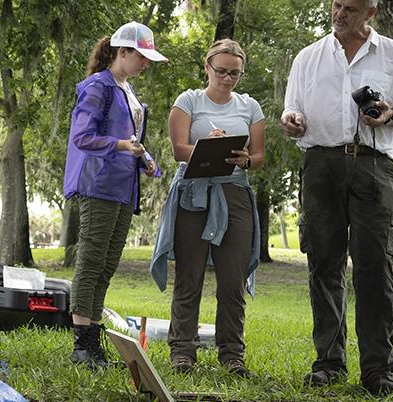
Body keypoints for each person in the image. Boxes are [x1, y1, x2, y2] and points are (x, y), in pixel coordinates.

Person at [281, 0, 393, 397]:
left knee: (374, 267)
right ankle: (328, 363)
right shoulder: (308, 57)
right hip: (321, 165)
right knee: (323, 264)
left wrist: (388, 115)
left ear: (371, 11)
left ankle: (378, 371)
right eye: (335, 5)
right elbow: (293, 110)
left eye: (349, 9)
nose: (339, 14)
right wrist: (292, 120)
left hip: (374, 167)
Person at [150, 39, 265, 378]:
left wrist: (246, 158)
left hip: (234, 193)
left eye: (235, 73)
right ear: (207, 67)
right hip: (194, 193)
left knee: (233, 279)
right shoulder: (189, 101)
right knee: (190, 275)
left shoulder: (250, 107)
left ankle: (232, 353)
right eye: (221, 71)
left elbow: (257, 158)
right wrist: (207, 146)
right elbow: (178, 150)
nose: (228, 78)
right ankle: (182, 350)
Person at [63, 22, 166, 366]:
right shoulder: (98, 87)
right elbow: (83, 136)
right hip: (98, 184)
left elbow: (133, 140)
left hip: (124, 188)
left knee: (107, 264)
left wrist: (146, 160)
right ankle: (82, 344)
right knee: (90, 260)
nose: (146, 64)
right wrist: (121, 145)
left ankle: (93, 340)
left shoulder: (129, 92)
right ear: (122, 52)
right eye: (142, 56)